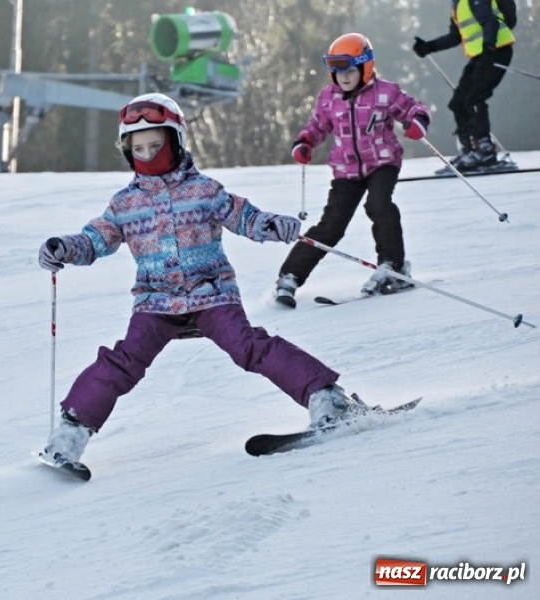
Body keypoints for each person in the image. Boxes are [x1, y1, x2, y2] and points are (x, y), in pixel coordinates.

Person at [37, 92, 363, 466]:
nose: (147, 155)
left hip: (212, 295)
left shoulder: (204, 191)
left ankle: (328, 398)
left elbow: (244, 217)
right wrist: (65, 247)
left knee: (249, 347)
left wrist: (273, 225)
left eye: (156, 145)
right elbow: (96, 239)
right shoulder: (125, 204)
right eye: (138, 148)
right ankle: (68, 436)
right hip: (156, 302)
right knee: (122, 361)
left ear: (176, 141)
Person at [275, 33, 431, 308]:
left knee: (379, 204)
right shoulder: (328, 97)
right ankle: (290, 276)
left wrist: (417, 122)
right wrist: (305, 141)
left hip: (382, 163)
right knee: (331, 225)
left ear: (365, 66)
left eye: (348, 69)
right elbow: (317, 125)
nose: (342, 76)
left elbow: (413, 108)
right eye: (335, 69)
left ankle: (393, 266)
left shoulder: (385, 92)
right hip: (346, 170)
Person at [412, 0, 516, 170]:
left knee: (474, 98)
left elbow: (490, 21)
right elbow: (456, 36)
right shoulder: (457, 4)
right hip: (482, 54)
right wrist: (429, 47)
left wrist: (489, 48)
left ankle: (485, 151)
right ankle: (470, 151)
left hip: (496, 51)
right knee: (458, 102)